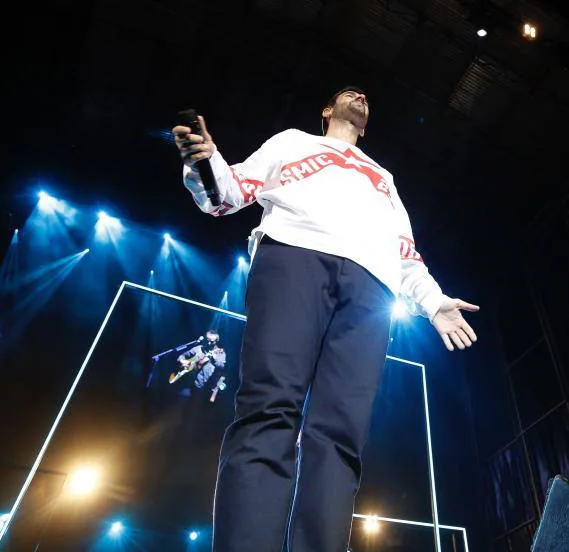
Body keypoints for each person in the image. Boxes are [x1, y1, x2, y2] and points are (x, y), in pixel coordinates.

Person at [173, 86, 479, 552]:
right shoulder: (292, 142)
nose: (360, 96)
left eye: (366, 97)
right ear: (326, 111)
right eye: (347, 93)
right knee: (270, 407)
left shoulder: (383, 177)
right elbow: (227, 194)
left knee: (340, 435)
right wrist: (204, 161)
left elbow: (405, 252)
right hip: (294, 258)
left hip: (373, 287)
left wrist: (432, 302)